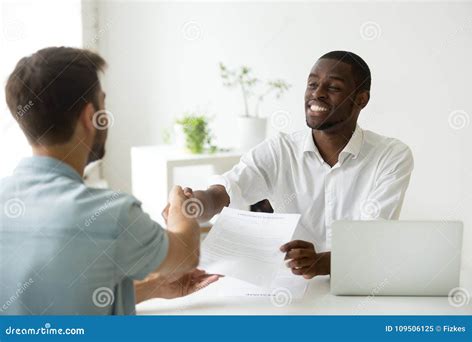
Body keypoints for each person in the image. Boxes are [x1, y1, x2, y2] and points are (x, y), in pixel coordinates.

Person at [0, 47, 219, 315]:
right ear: (89, 116)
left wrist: (154, 288)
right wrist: (180, 205)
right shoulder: (111, 214)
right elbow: (186, 255)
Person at [168, 51, 414, 280]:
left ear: (361, 99)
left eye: (334, 87)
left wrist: (321, 263)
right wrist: (193, 205)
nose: (317, 94)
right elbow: (226, 190)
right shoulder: (280, 150)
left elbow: (374, 239)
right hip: (291, 288)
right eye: (312, 84)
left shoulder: (391, 156)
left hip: (361, 284)